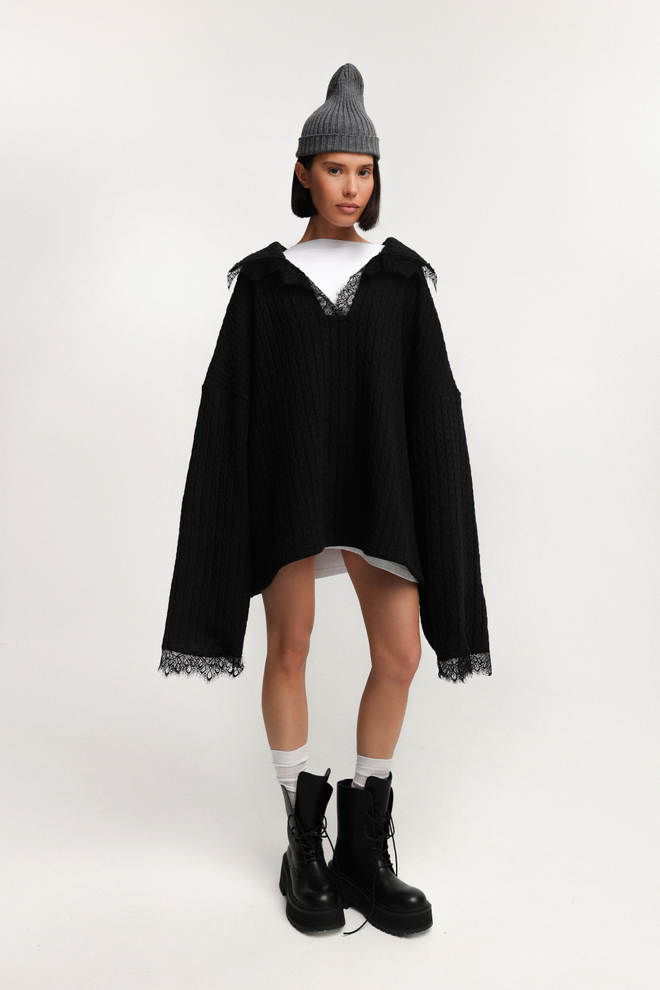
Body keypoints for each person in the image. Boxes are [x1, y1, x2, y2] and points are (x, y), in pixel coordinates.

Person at [159, 63, 491, 937]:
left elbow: (431, 402)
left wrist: (431, 505)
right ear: (304, 172)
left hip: (379, 489)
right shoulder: (265, 283)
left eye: (365, 171)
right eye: (336, 168)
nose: (352, 187)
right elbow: (233, 402)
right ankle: (302, 840)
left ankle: (364, 845)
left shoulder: (400, 278)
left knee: (400, 653)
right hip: (293, 487)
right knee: (292, 644)